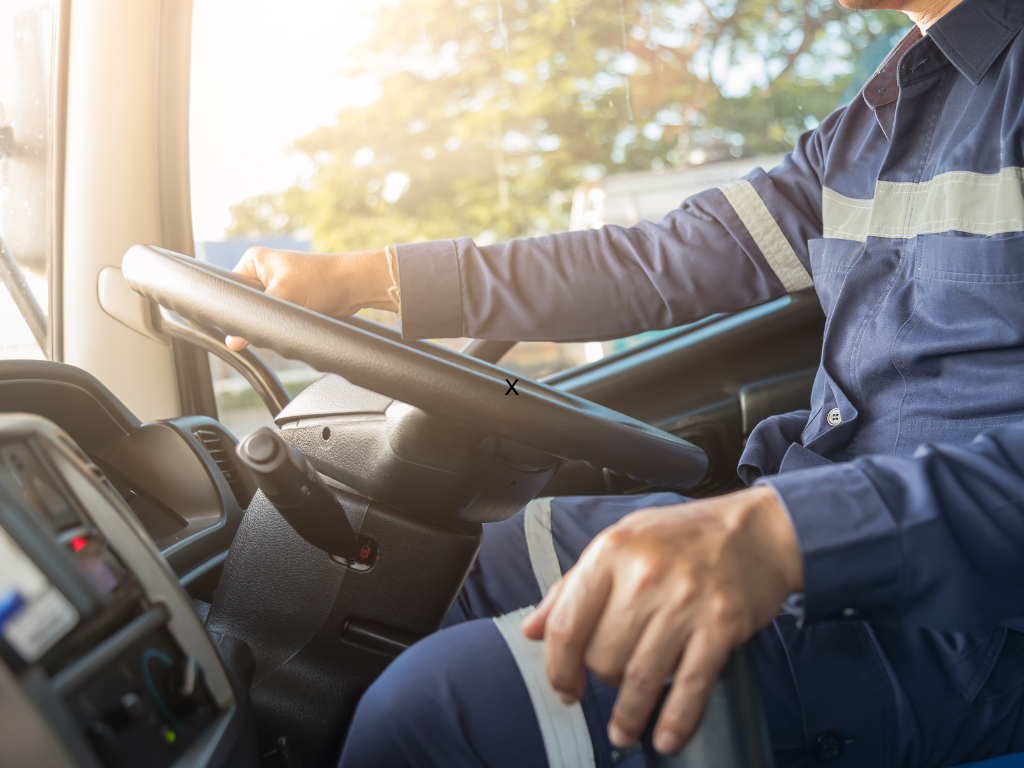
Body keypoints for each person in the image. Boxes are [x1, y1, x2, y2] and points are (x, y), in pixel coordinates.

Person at [227, 0, 1024, 765]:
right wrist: (369, 277)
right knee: (434, 570)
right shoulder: (876, 121)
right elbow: (659, 261)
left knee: (437, 711)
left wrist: (786, 534)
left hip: (969, 613)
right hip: (818, 515)